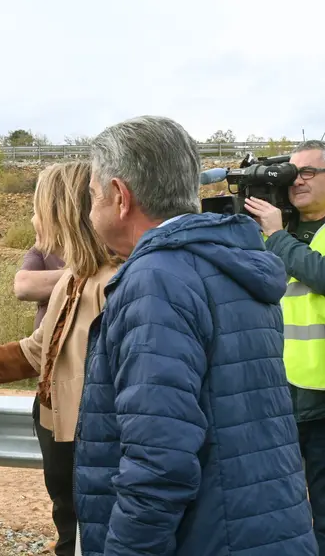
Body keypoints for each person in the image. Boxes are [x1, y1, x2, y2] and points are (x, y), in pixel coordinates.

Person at [74, 114, 317, 555]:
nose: (90, 212)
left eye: (92, 197)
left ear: (119, 197)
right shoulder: (230, 263)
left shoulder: (157, 279)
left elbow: (158, 462)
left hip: (209, 537)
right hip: (265, 529)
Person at [0, 160, 119, 556]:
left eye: (36, 209)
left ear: (58, 213)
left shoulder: (112, 286)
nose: (32, 220)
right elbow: (36, 351)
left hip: (97, 469)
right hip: (70, 472)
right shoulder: (72, 282)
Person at [244, 139, 325, 552]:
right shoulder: (283, 231)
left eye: (310, 172)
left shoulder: (282, 234)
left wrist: (275, 235)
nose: (298, 180)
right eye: (294, 172)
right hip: (282, 389)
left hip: (323, 395)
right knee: (277, 503)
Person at [14, 244, 66, 554]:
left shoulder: (104, 241)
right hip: (48, 389)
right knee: (60, 489)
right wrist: (80, 275)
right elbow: (23, 285)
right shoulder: (42, 247)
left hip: (81, 396)